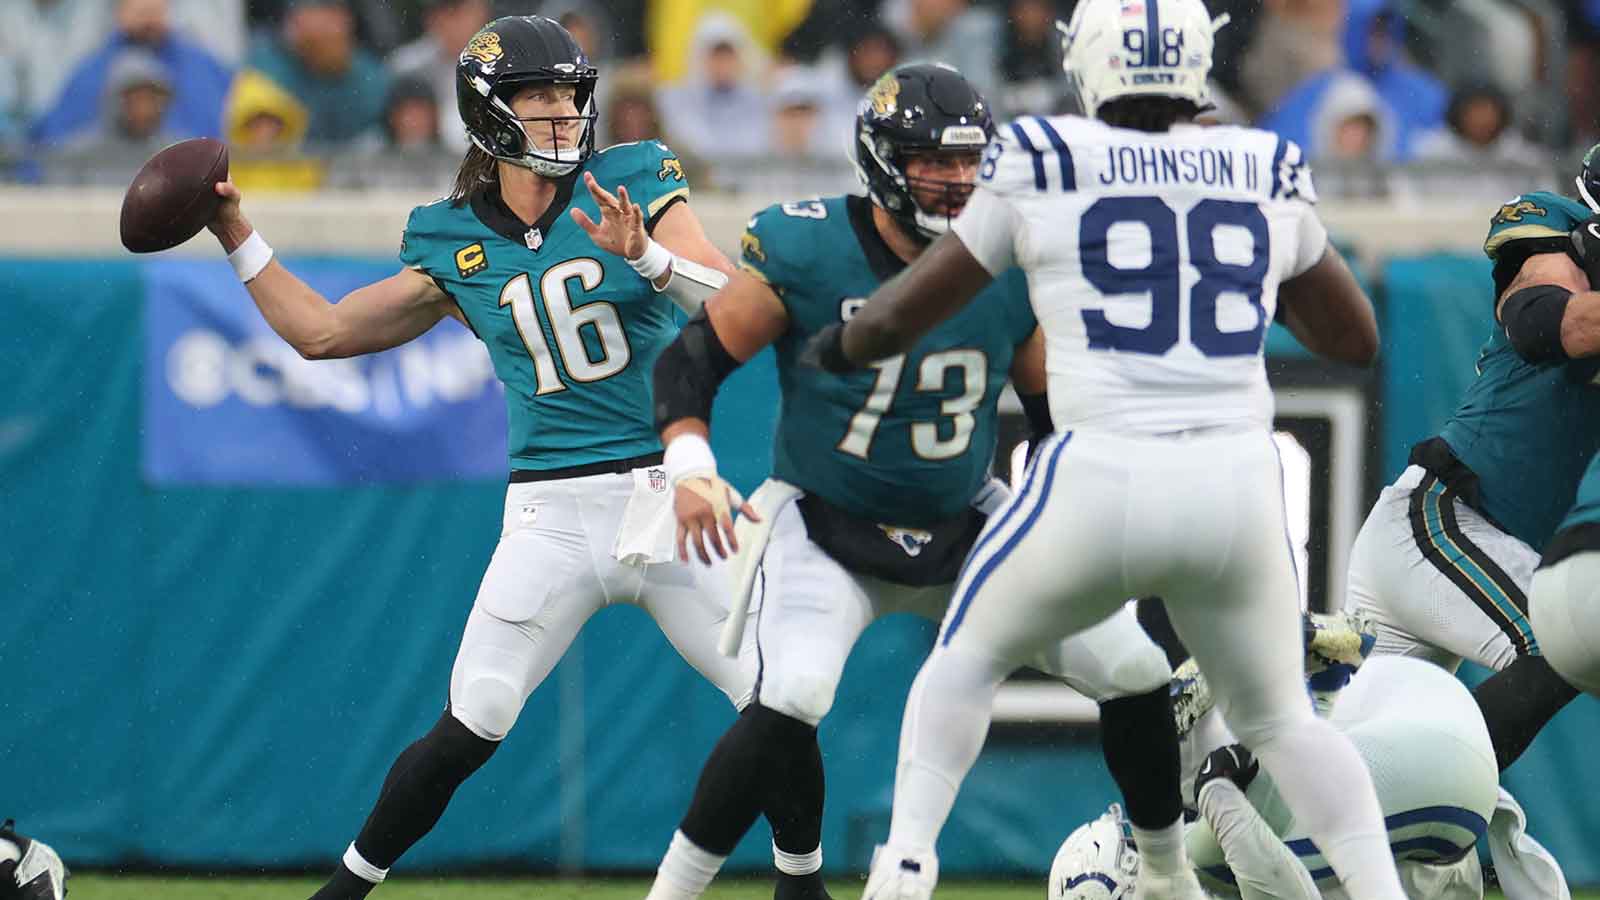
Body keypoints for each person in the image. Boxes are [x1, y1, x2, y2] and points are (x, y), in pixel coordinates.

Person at [805, 0, 1409, 897]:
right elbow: (1354, 337)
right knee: (1284, 719)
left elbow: (909, 304)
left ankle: (904, 867)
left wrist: (838, 350)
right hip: (1238, 486)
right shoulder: (1261, 162)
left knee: (964, 660)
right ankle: (1379, 890)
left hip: (1103, 474)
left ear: (1086, 62)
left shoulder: (1047, 156)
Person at [200, 16, 750, 900]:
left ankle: (802, 884)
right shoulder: (449, 236)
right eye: (539, 96)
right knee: (478, 714)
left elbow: (736, 306)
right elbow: (324, 332)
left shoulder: (633, 180)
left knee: (774, 697)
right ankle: (340, 894)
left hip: (663, 488)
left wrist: (645, 256)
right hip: (551, 511)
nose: (564, 114)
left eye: (571, 95)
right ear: (489, 111)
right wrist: (236, 234)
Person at [643, 62, 1182, 900]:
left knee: (1134, 667)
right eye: (936, 161)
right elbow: (693, 361)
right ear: (884, 160)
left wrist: (1082, 506)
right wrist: (690, 467)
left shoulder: (1015, 254)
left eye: (971, 161)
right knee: (792, 689)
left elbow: (1050, 420)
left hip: (969, 522)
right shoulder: (808, 245)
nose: (959, 180)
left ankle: (1166, 874)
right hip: (827, 520)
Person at [1344, 148, 1600, 773]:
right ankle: (1447, 782)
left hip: (1464, 545)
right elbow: (1545, 326)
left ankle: (1212, 794)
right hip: (1441, 522)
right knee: (1563, 645)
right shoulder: (1554, 241)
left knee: (1340, 769)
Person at [1051, 653, 1572, 900]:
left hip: (1436, 778)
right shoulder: (1196, 840)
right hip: (1429, 732)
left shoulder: (1200, 852)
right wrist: (1216, 789)